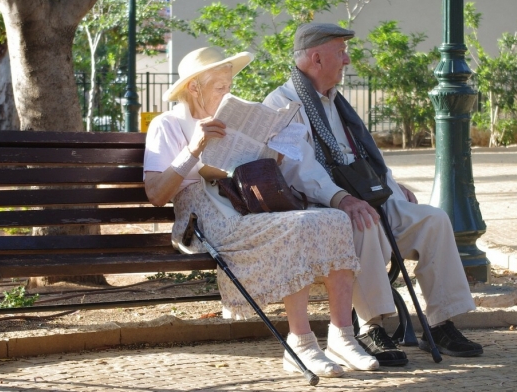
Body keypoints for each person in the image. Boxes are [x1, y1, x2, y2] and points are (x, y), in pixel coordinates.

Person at [143, 46, 379, 378]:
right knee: (294, 227)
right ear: (194, 87)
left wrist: (271, 152)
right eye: (220, 87)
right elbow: (156, 194)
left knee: (334, 218)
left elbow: (247, 168)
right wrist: (193, 148)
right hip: (203, 219)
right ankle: (301, 342)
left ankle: (342, 335)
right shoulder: (167, 124)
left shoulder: (228, 119)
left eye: (229, 85)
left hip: (243, 205)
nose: (228, 93)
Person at [263, 23, 484, 366]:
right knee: (363, 222)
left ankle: (441, 323)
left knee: (433, 219)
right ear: (316, 58)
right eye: (341, 52)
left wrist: (392, 188)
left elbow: (363, 157)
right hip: (325, 207)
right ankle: (372, 325)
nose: (348, 60)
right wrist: (341, 199)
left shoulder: (336, 102)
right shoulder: (282, 103)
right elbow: (299, 169)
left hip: (364, 196)